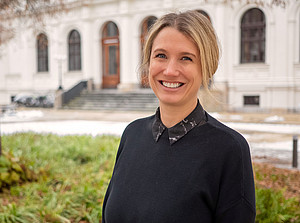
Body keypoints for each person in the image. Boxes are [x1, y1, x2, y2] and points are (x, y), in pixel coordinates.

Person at [102, 10, 256, 223]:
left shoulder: (229, 149)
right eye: (161, 56)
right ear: (149, 62)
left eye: (186, 58)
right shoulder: (132, 134)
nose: (170, 70)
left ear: (207, 68)